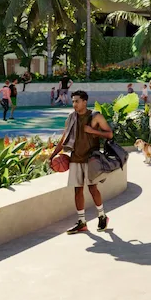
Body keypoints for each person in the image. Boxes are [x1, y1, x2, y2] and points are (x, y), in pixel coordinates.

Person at [51, 90, 113, 234]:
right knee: (77, 190)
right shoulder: (71, 117)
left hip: (91, 159)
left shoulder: (95, 116)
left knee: (92, 188)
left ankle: (102, 216)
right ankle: (81, 222)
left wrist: (93, 131)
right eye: (73, 101)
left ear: (85, 101)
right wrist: (52, 155)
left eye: (77, 101)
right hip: (75, 158)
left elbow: (109, 134)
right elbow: (64, 138)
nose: (74, 104)